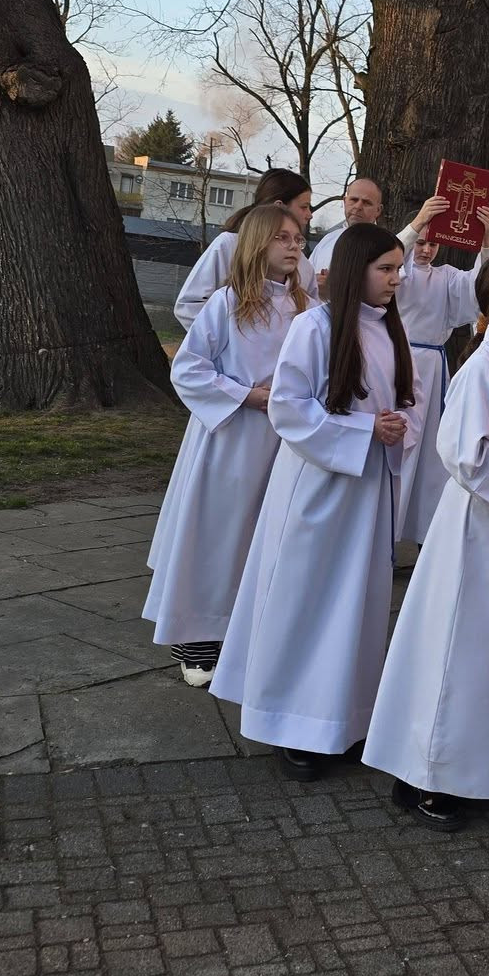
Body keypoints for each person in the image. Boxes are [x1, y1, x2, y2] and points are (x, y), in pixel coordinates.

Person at [363, 255, 489, 827]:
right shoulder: (482, 367)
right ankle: (431, 772)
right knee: (459, 644)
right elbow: (461, 453)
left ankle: (471, 766)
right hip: (477, 524)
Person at [210, 223, 414, 780]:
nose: (397, 278)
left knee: (354, 604)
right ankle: (289, 721)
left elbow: (406, 402)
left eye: (398, 268)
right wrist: (364, 431)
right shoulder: (314, 326)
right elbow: (288, 406)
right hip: (318, 489)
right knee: (306, 599)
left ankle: (340, 718)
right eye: (386, 268)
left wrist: (397, 427)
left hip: (367, 492)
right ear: (353, 271)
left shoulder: (389, 331)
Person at [144, 204, 309, 684]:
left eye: (298, 238)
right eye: (283, 238)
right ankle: (196, 638)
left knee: (264, 536)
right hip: (231, 436)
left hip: (284, 442)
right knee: (216, 537)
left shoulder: (308, 310)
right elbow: (188, 369)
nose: (294, 246)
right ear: (257, 243)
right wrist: (244, 395)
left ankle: (248, 635)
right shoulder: (227, 303)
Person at [396, 204, 489, 544]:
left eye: (432, 244)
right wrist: (417, 222)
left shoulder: (448, 277)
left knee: (431, 453)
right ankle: (389, 529)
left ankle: (425, 532)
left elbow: (483, 284)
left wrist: (486, 240)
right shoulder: (396, 271)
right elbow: (388, 257)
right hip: (398, 364)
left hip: (434, 370)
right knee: (401, 447)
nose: (426, 250)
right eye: (420, 242)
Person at [173, 168, 317, 328]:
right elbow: (189, 306)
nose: (309, 214)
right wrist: (230, 337)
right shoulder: (229, 245)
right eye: (304, 207)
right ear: (279, 206)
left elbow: (312, 318)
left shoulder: (302, 263)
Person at [307, 175, 449, 275]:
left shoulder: (381, 241)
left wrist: (420, 221)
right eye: (354, 200)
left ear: (378, 210)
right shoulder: (327, 240)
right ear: (344, 201)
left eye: (366, 202)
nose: (358, 206)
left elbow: (393, 250)